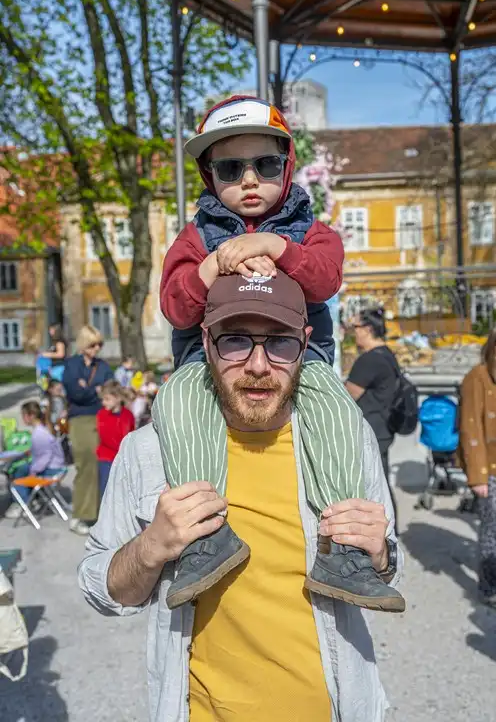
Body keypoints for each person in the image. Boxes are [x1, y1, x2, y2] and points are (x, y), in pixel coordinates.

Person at [78, 273, 403, 722]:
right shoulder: (149, 450)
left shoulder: (348, 440)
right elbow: (101, 587)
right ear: (207, 342)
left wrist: (382, 554)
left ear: (306, 344)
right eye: (235, 340)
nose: (257, 364)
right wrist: (151, 548)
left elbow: (387, 572)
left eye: (280, 342)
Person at [154, 96, 400, 612]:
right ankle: (204, 538)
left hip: (298, 355)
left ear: (286, 167)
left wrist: (276, 247)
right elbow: (175, 307)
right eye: (230, 167)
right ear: (208, 174)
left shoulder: (309, 229)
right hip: (211, 357)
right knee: (176, 400)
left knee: (334, 406)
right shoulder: (197, 236)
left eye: (264, 165)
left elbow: (328, 276)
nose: (249, 179)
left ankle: (345, 546)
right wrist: (211, 266)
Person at [459, 323, 496, 614]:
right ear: (492, 349)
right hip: (490, 468)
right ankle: (492, 588)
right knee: (493, 530)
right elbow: (470, 429)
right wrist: (477, 476)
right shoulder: (476, 378)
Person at [345, 307, 400, 521]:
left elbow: (348, 396)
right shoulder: (387, 354)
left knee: (376, 488)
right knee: (382, 485)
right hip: (383, 427)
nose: (353, 332)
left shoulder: (369, 360)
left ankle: (386, 536)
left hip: (371, 432)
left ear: (367, 329)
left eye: (355, 327)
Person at [63, 326, 113, 536]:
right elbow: (75, 394)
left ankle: (100, 513)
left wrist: (88, 389)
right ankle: (81, 514)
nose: (97, 348)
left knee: (105, 465)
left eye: (99, 344)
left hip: (103, 417)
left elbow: (110, 389)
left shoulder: (102, 366)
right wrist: (96, 391)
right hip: (81, 419)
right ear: (83, 344)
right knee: (86, 465)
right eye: (93, 344)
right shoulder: (72, 365)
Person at [5, 401, 66, 519]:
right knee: (23, 468)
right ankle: (32, 499)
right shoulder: (43, 430)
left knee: (19, 473)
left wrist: (33, 470)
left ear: (31, 415)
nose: (22, 418)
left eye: (24, 415)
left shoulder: (38, 434)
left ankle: (23, 503)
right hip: (55, 467)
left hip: (51, 470)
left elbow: (44, 457)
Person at [96, 380, 135, 499]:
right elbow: (106, 438)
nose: (103, 402)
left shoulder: (128, 415)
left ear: (117, 398)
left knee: (123, 493)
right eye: (103, 399)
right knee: (106, 492)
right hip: (107, 459)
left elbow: (131, 435)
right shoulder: (102, 415)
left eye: (107, 399)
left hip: (124, 459)